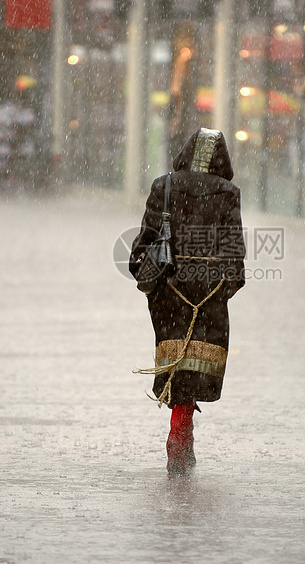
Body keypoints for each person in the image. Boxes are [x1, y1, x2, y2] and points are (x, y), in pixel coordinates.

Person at [130, 128, 245, 475]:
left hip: (169, 293)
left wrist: (158, 280)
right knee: (197, 364)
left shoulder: (163, 186)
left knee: (177, 363)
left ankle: (180, 432)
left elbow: (143, 245)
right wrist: (218, 290)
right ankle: (182, 433)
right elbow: (234, 257)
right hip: (208, 295)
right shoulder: (228, 193)